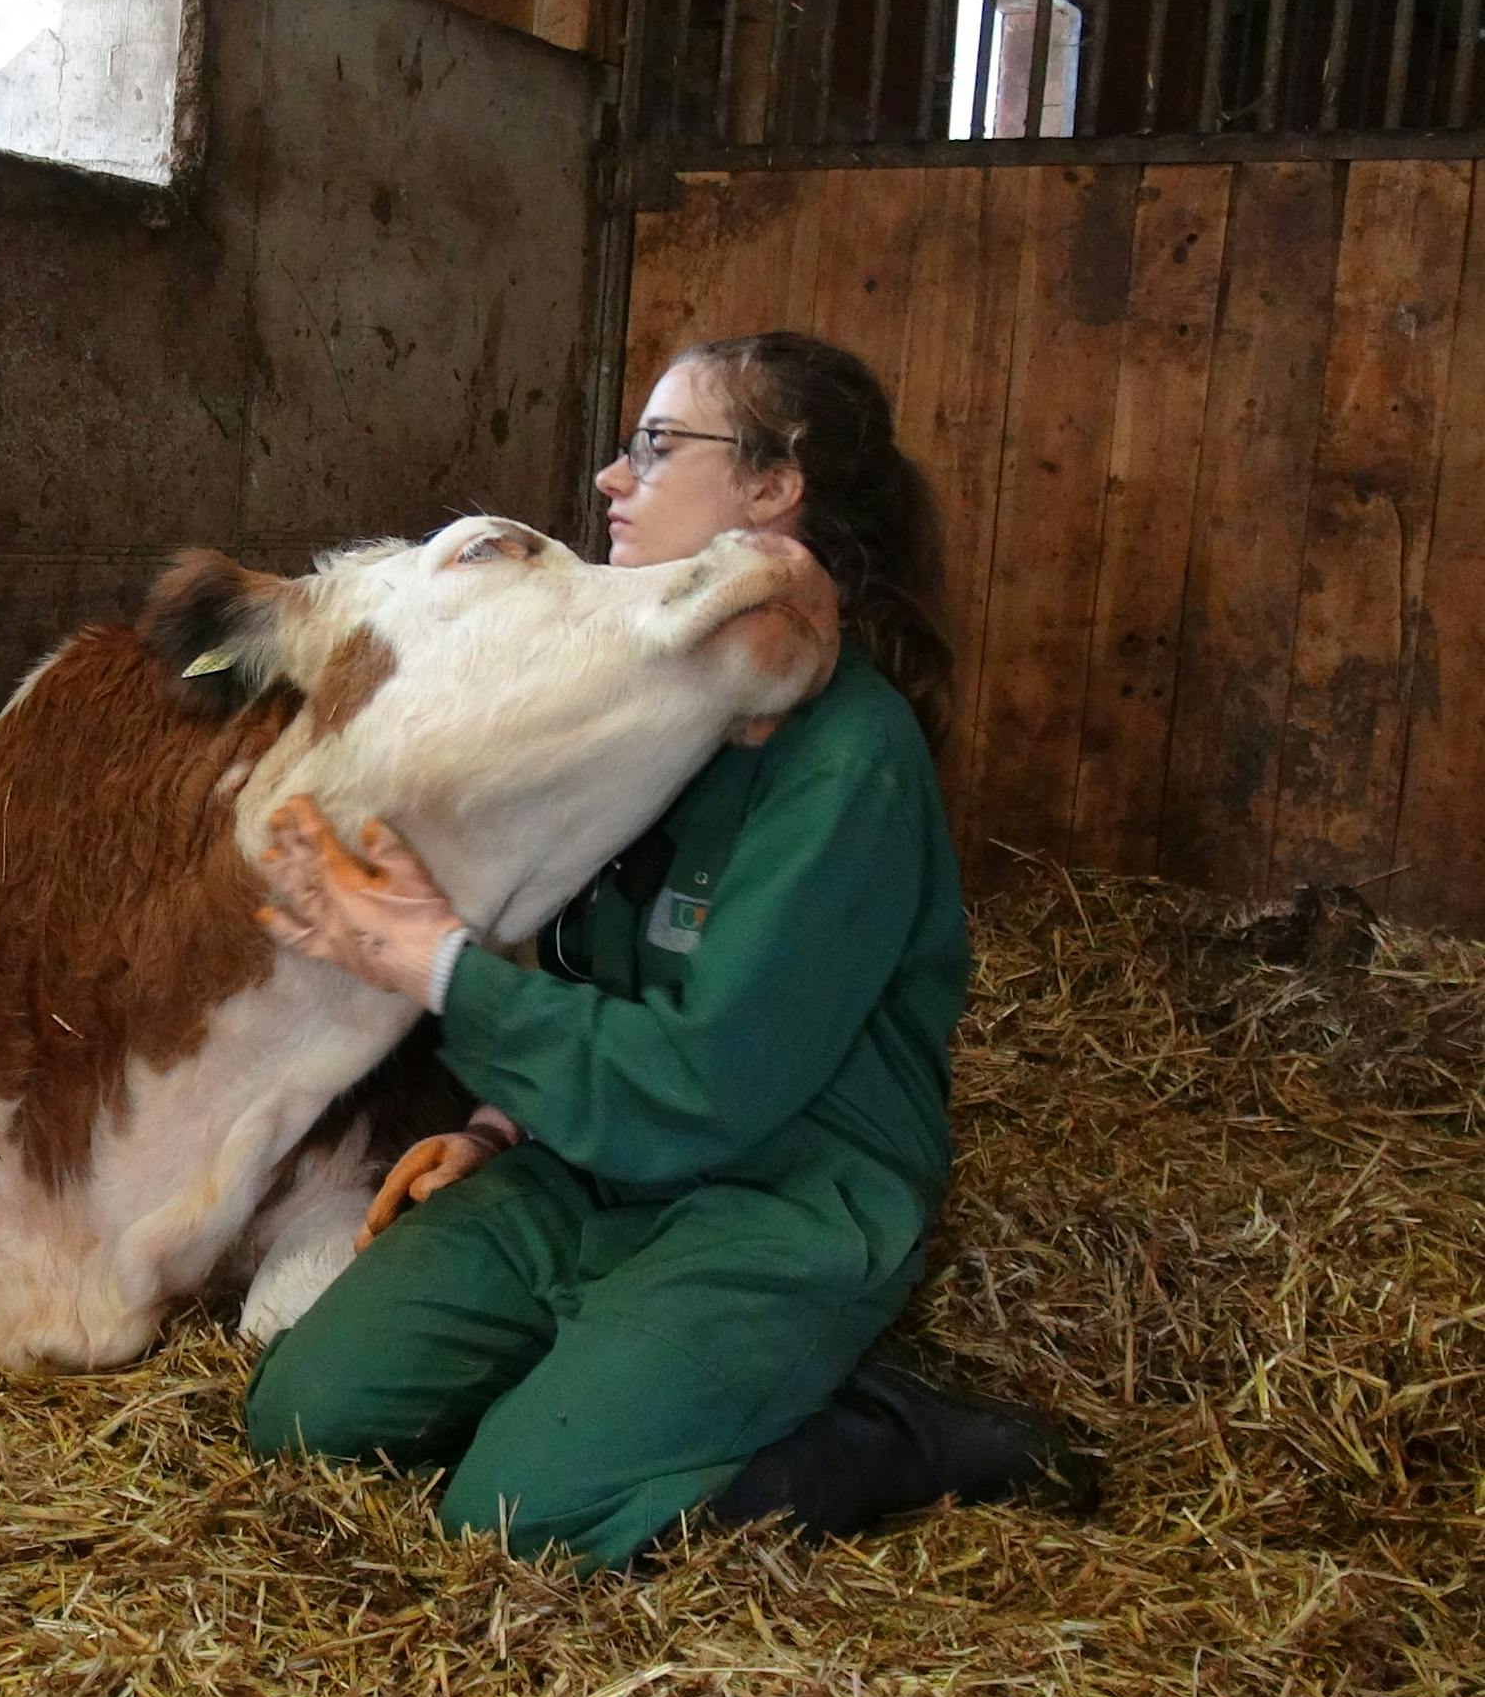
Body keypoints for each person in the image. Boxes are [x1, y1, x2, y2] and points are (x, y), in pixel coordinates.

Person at [244, 332, 1097, 1576]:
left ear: (772, 485)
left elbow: (703, 1080)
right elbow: (594, 965)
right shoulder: (648, 699)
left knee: (517, 1519)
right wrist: (496, 1125)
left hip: (776, 1195)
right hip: (589, 1163)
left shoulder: (847, 761)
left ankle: (885, 1436)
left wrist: (433, 965)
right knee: (306, 1419)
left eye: (657, 443)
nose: (609, 474)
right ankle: (617, 1378)